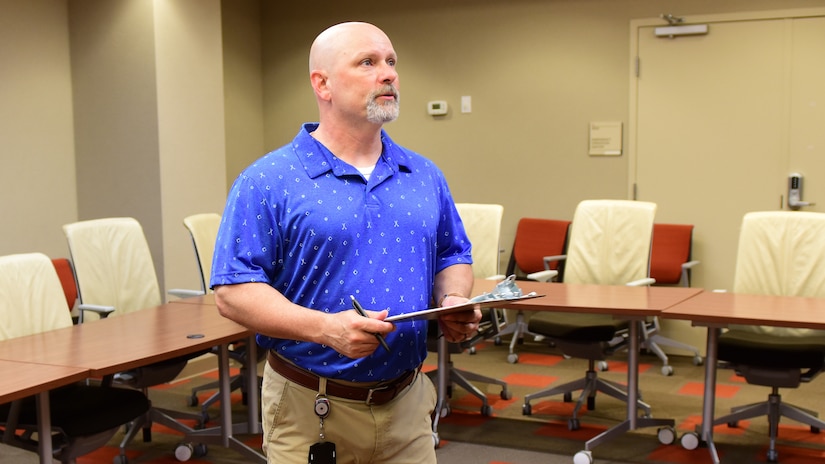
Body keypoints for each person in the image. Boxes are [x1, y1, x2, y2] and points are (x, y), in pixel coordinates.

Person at [211, 21, 481, 464]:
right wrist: (327, 330)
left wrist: (453, 298)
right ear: (323, 84)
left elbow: (453, 254)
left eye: (391, 62)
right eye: (368, 62)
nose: (388, 73)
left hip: (408, 404)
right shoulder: (268, 180)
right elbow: (233, 293)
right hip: (310, 408)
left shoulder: (424, 175)